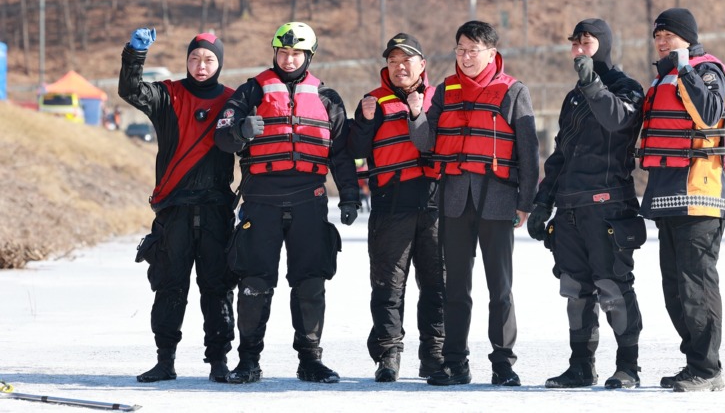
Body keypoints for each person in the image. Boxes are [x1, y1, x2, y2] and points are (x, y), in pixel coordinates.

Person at [214, 21, 360, 384]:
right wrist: (240, 131)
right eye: (283, 52)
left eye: (296, 53)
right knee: (254, 282)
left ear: (308, 56)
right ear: (275, 52)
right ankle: (248, 360)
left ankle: (310, 360)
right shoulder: (250, 91)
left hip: (309, 200)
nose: (289, 58)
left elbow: (341, 155)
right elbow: (222, 137)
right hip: (261, 200)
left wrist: (350, 197)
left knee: (311, 282)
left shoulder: (328, 98)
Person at [407, 20, 539, 387]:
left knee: (500, 288)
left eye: (473, 50)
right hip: (453, 202)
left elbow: (529, 152)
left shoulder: (513, 91)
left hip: (497, 201)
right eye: (460, 50)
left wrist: (526, 201)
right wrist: (416, 113)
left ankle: (502, 363)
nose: (465, 57)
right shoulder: (445, 91)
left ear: (491, 54)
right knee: (455, 288)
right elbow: (425, 142)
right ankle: (454, 363)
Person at [527, 18, 645, 390]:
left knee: (613, 287)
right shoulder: (574, 95)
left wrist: (592, 81)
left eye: (587, 42)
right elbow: (561, 153)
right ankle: (581, 366)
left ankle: (628, 366)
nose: (578, 49)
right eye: (574, 43)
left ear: (604, 45)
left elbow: (615, 120)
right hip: (570, 208)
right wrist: (542, 202)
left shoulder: (627, 88)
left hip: (609, 207)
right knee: (575, 290)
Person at [118, 29, 236, 383]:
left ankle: (219, 362)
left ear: (219, 63)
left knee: (217, 288)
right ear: (187, 61)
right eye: (195, 59)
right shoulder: (167, 95)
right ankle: (165, 360)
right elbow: (130, 90)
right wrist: (135, 54)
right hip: (175, 209)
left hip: (216, 210)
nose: (201, 66)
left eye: (209, 59)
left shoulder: (233, 101)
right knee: (170, 286)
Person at [638, 8, 725, 392]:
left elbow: (709, 113)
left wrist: (685, 70)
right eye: (658, 36)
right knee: (674, 289)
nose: (662, 42)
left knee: (696, 285)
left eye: (669, 36)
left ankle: (707, 369)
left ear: (688, 38)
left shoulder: (707, 70)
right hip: (667, 195)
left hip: (700, 194)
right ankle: (696, 361)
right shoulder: (662, 77)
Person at [347, 33, 445, 382]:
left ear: (422, 64)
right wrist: (364, 122)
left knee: (438, 285)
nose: (400, 67)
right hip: (391, 204)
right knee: (388, 286)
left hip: (436, 204)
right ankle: (388, 354)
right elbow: (353, 149)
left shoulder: (440, 98)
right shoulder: (372, 101)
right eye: (392, 61)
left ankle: (434, 354)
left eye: (407, 60)